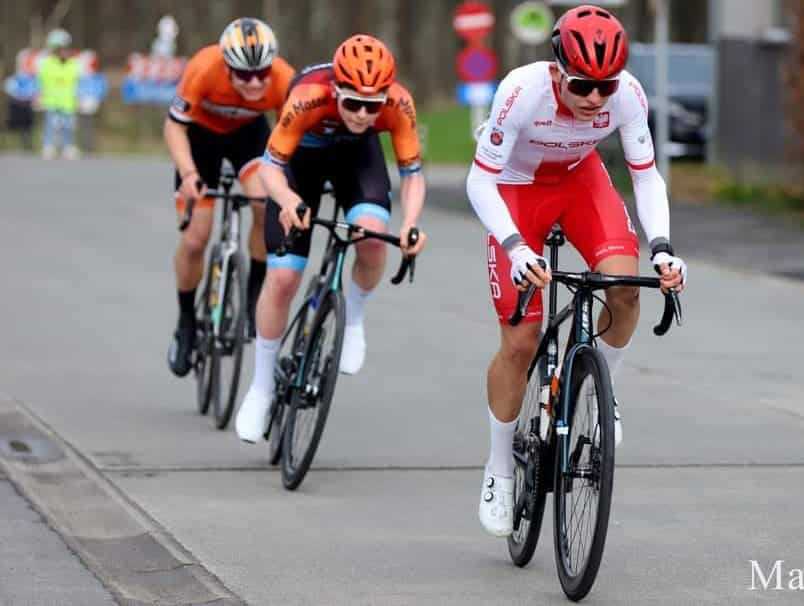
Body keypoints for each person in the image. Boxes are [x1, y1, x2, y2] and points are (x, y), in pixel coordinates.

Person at [465, 5, 688, 537]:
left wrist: (662, 249)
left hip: (578, 181)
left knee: (626, 289)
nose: (595, 98)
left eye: (605, 86)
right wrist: (517, 248)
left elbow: (647, 177)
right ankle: (498, 467)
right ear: (558, 71)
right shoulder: (521, 92)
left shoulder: (628, 95)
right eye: (584, 85)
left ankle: (597, 389)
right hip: (516, 193)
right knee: (521, 342)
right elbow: (479, 181)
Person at [233, 34, 428, 443]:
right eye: (352, 102)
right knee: (284, 278)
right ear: (335, 89)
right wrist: (287, 201)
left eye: (371, 106)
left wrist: (410, 223)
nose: (361, 114)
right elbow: (271, 169)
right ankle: (262, 386)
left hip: (356, 160)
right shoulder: (307, 95)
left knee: (374, 239)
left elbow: (412, 175)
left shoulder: (398, 104)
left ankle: (353, 318)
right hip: (298, 163)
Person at [165, 18, 295, 378]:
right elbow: (174, 125)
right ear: (226, 66)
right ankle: (187, 320)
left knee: (261, 200)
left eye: (262, 73)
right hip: (200, 140)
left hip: (250, 138)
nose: (254, 82)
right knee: (195, 239)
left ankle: (254, 289)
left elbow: (293, 137)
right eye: (243, 74)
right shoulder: (204, 68)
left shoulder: (285, 78)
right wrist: (189, 175)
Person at [37, 28, 80, 160]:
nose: (64, 52)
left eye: (66, 49)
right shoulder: (47, 64)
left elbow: (78, 82)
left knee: (69, 126)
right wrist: (39, 95)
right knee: (50, 125)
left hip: (68, 101)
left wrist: (79, 97)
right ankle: (48, 146)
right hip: (51, 100)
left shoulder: (74, 64)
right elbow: (41, 82)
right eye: (61, 49)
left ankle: (68, 147)